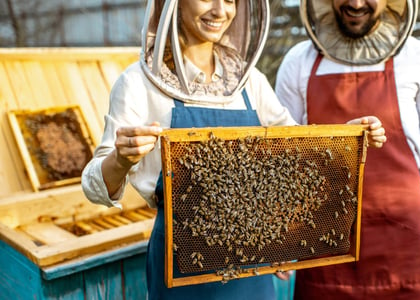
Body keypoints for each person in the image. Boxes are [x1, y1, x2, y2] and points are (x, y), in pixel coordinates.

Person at [81, 0, 385, 299]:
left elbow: (298, 156)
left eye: (230, 0)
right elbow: (94, 187)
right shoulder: (138, 83)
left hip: (252, 264)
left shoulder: (249, 81)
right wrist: (120, 160)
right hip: (180, 269)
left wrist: (347, 136)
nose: (220, 10)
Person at [275, 0, 420, 299]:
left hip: (403, 240)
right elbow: (283, 156)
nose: (357, 3)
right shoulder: (299, 61)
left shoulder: (419, 57)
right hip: (325, 243)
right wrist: (281, 237)